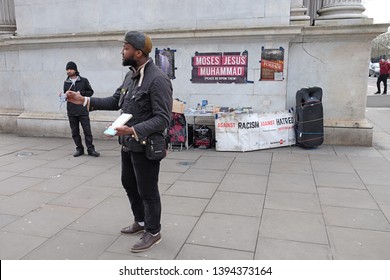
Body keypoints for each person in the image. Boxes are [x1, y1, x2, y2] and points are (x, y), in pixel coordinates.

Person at [66, 31, 173, 253]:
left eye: (125, 48)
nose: (121, 52)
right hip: (127, 143)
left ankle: (153, 232)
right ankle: (141, 222)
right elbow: (116, 101)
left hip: (145, 146)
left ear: (138, 52)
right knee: (129, 183)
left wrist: (134, 129)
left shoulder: (158, 79)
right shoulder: (130, 75)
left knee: (148, 190)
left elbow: (163, 118)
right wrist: (84, 100)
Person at [63, 61, 100, 157]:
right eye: (67, 69)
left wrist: (81, 93)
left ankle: (91, 149)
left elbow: (90, 92)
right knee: (75, 132)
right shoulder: (66, 82)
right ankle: (79, 149)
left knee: (87, 131)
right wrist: (63, 96)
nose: (69, 71)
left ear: (75, 70)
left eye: (70, 69)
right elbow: (65, 95)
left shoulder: (84, 80)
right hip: (71, 110)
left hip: (83, 109)